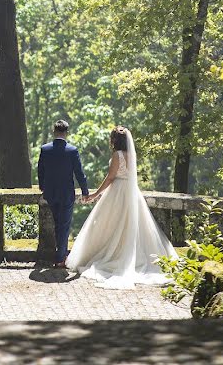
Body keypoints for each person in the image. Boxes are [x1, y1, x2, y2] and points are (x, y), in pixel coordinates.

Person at [65, 126, 178, 289]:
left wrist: (96, 193)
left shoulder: (117, 155)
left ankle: (114, 255)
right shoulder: (132, 155)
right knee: (132, 226)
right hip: (132, 192)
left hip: (118, 192)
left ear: (115, 141)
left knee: (109, 224)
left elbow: (111, 177)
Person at [37, 119, 89, 268]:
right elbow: (79, 173)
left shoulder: (45, 149)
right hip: (66, 193)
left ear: (54, 132)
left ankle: (60, 255)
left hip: (51, 192)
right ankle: (60, 258)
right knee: (64, 225)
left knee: (58, 223)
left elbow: (41, 170)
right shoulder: (72, 151)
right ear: (66, 133)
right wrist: (85, 191)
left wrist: (43, 186)